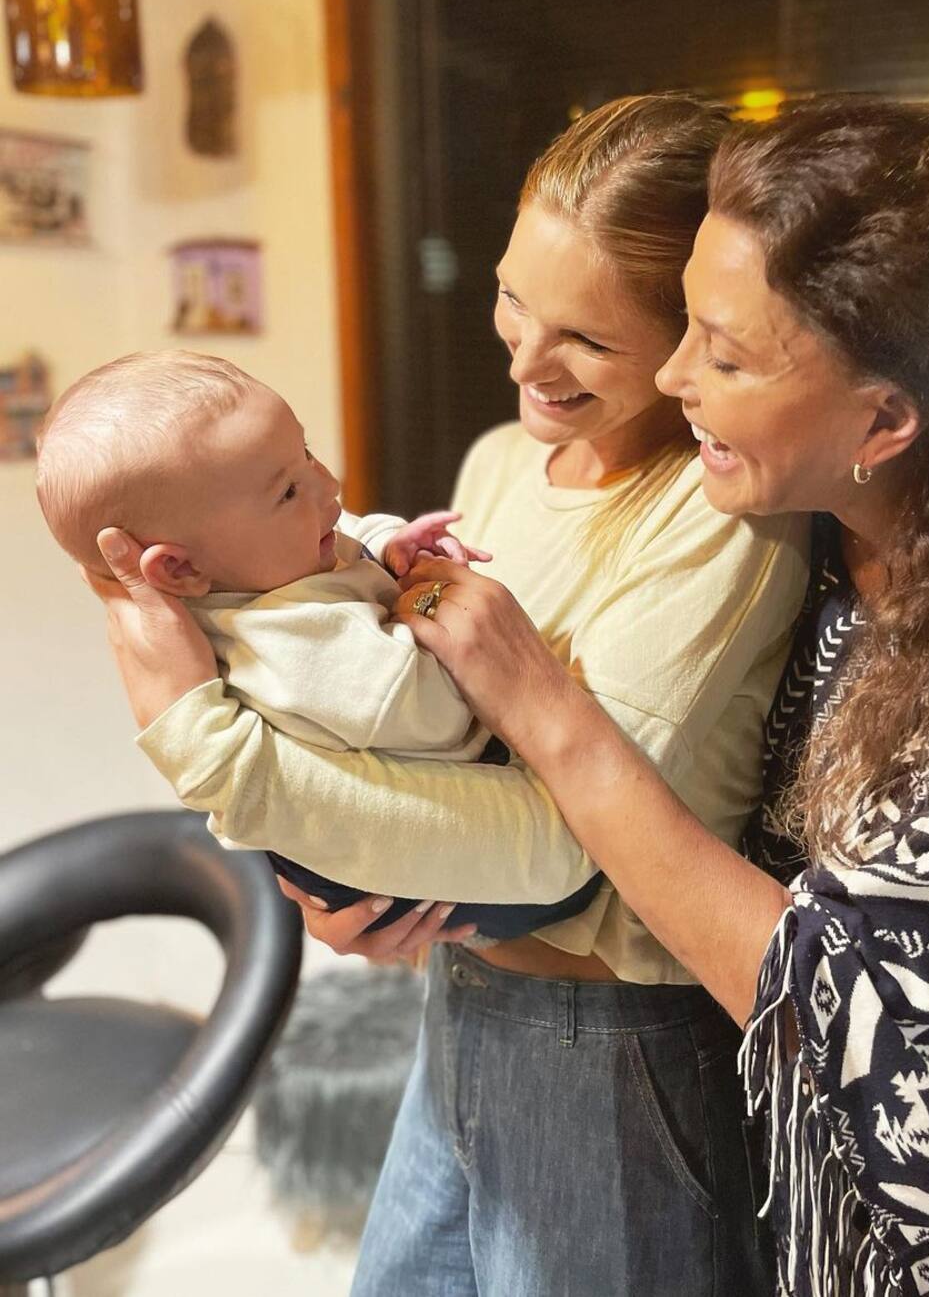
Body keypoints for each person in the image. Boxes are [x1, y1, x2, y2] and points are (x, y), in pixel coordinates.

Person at [363, 98, 929, 1295]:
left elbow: (898, 1074)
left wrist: (545, 708)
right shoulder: (839, 549)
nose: (671, 375)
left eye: (723, 353)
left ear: (885, 418)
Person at [86, 94, 809, 1296]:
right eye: (513, 297)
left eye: (588, 339)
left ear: (690, 336)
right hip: (460, 1003)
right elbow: (400, 750)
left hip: (609, 1052)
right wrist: (343, 885)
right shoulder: (499, 460)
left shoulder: (720, 515)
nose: (524, 359)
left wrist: (226, 762)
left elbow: (562, 844)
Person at [34, 348, 605, 939]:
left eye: (305, 452)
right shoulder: (294, 646)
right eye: (287, 491)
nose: (328, 485)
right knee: (579, 862)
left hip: (375, 792)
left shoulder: (267, 559)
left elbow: (351, 533)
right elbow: (438, 715)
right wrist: (425, 606)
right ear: (180, 570)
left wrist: (390, 547)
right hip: (407, 872)